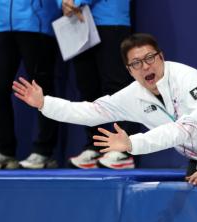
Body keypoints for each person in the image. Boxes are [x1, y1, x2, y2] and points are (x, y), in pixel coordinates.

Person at [12, 33, 197, 178]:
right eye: (136, 63)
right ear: (129, 70)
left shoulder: (189, 80)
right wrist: (44, 103)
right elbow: (90, 112)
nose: (145, 67)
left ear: (161, 57)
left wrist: (132, 143)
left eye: (150, 58)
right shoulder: (132, 96)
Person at [58, 0, 139, 169]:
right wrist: (64, 3)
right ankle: (94, 146)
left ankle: (124, 150)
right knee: (87, 88)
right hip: (79, 21)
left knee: (117, 86)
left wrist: (75, 1)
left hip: (111, 19)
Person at [0, 0, 61, 170]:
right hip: (1, 22)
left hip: (35, 21)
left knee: (42, 88)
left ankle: (45, 151)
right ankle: (4, 151)